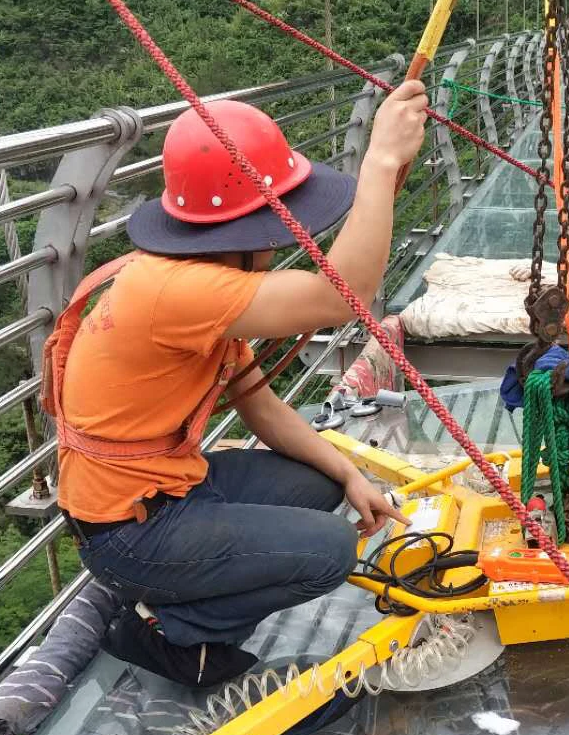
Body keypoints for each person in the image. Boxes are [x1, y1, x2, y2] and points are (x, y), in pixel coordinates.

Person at [51, 82, 428, 690]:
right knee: (330, 550)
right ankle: (175, 634)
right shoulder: (177, 292)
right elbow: (339, 298)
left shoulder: (198, 283)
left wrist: (350, 474)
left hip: (166, 492)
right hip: (128, 530)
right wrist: (381, 160)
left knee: (317, 484)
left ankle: (182, 602)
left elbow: (260, 404)